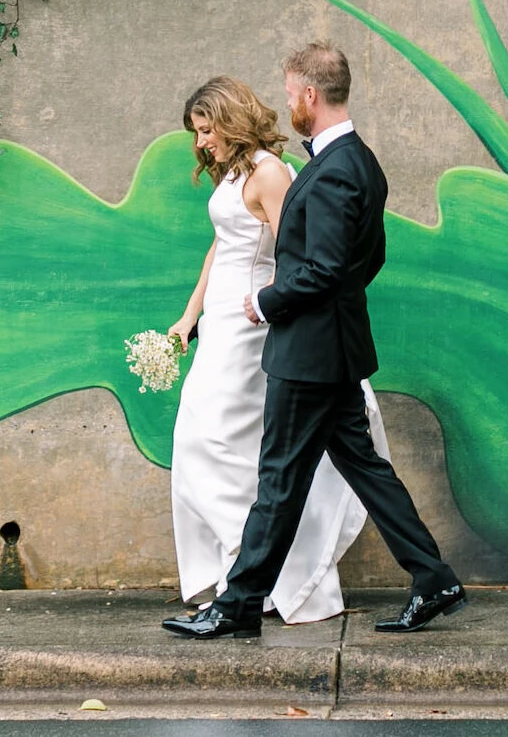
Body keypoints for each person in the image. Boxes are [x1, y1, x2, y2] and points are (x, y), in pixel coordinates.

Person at [165, 42, 465, 640]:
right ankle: (434, 579)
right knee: (366, 470)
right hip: (333, 349)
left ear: (308, 96)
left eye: (288, 95)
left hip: (308, 355)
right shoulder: (359, 163)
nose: (285, 106)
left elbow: (323, 267)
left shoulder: (332, 171)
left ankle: (239, 604)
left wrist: (264, 301)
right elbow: (367, 260)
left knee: (278, 479)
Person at [161, 75, 389, 630]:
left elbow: (301, 252)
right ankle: (244, 581)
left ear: (230, 120)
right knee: (209, 446)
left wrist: (272, 310)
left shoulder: (270, 173)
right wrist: (190, 317)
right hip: (219, 325)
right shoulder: (234, 174)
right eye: (196, 133)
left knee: (223, 446)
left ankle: (266, 581)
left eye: (207, 129)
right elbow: (221, 246)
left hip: (253, 323)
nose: (201, 143)